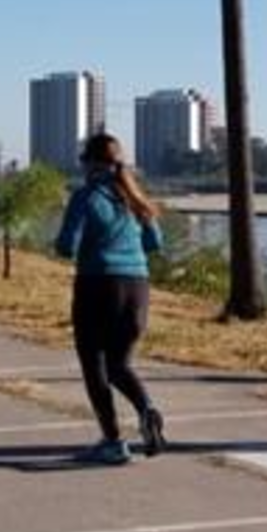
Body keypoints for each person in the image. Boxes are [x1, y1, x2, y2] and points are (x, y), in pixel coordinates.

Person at [54, 133, 167, 465]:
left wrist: (69, 245)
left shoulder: (85, 197)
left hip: (97, 287)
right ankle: (147, 408)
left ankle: (113, 441)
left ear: (89, 163)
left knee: (94, 366)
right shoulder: (134, 198)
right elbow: (155, 243)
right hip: (138, 287)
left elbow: (66, 246)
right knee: (119, 365)